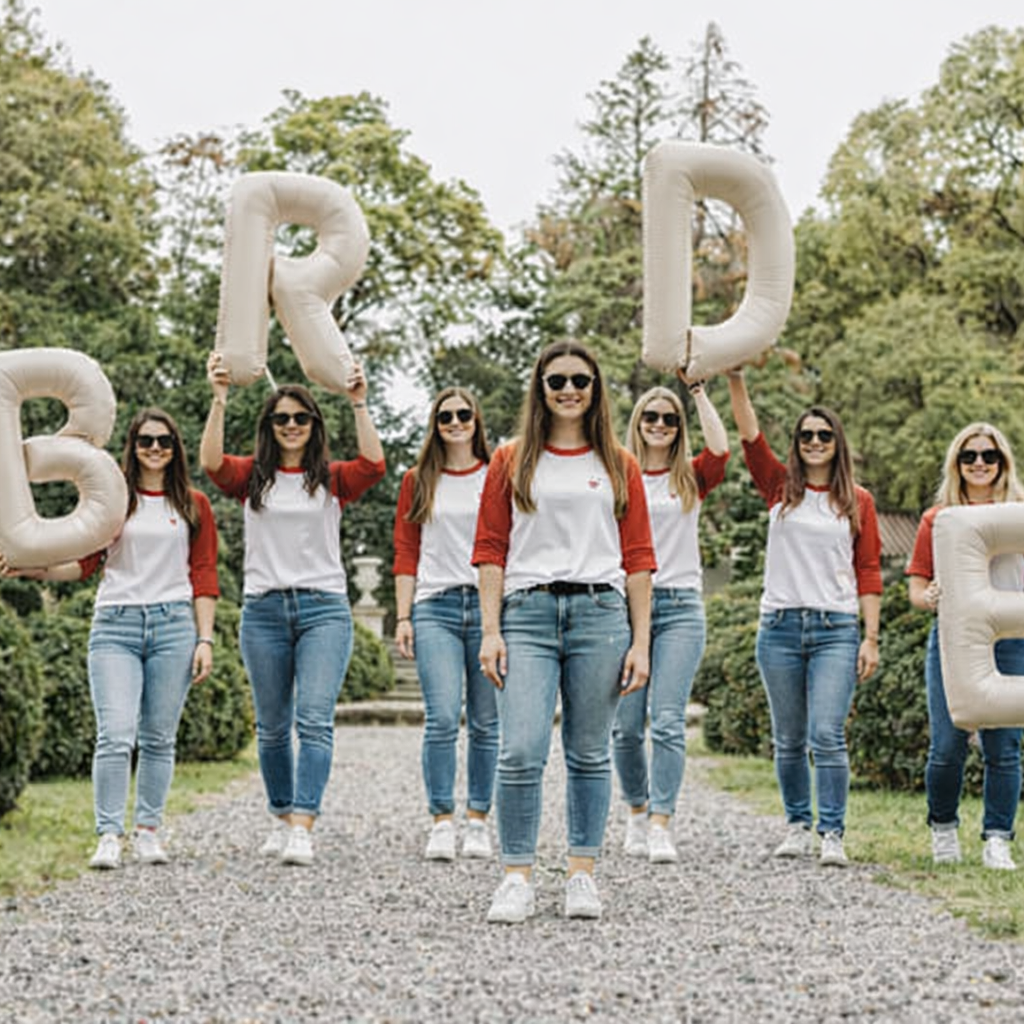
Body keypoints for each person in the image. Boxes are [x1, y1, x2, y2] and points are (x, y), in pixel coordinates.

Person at [473, 339, 655, 924]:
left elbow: (639, 558)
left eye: (581, 379)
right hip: (527, 614)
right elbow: (490, 550)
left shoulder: (620, 464)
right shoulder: (510, 459)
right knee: (521, 748)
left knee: (588, 752)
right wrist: (491, 630)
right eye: (557, 381)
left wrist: (642, 641)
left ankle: (581, 873)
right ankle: (517, 876)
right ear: (541, 389)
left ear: (596, 389)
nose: (570, 389)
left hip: (600, 617)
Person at [1, 408, 219, 869]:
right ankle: (108, 834)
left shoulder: (194, 504)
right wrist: (29, 567)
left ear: (176, 448)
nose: (155, 449)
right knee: (115, 734)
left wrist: (205, 639)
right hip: (115, 626)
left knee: (159, 738)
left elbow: (203, 574)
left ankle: (148, 830)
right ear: (133, 446)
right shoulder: (115, 499)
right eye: (145, 441)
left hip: (173, 627)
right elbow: (82, 564)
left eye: (164, 441)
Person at [201, 352, 384, 866]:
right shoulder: (251, 479)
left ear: (313, 425)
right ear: (269, 426)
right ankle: (281, 816)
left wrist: (358, 402)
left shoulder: (330, 479)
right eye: (281, 418)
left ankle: (304, 823)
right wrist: (219, 398)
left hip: (323, 609)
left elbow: (374, 465)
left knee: (314, 720)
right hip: (263, 612)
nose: (290, 425)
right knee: (273, 726)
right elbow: (211, 462)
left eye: (300, 418)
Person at [728, 368, 881, 867]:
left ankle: (831, 831)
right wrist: (736, 378)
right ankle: (797, 824)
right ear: (797, 444)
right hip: (780, 629)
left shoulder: (858, 501)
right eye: (806, 435)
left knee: (827, 734)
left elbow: (869, 570)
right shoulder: (779, 488)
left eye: (824, 435)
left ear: (838, 442)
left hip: (836, 630)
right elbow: (750, 436)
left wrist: (871, 638)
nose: (815, 442)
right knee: (789, 737)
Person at [613, 378, 729, 864]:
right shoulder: (620, 474)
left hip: (680, 605)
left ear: (679, 428)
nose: (659, 425)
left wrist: (699, 393)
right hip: (623, 606)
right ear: (637, 423)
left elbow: (721, 450)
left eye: (669, 419)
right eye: (650, 417)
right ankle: (637, 811)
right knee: (624, 727)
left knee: (666, 722)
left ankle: (662, 821)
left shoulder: (690, 476)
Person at [906, 422, 1024, 871]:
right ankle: (943, 828)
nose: (979, 463)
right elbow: (916, 589)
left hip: (1012, 640)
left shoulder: (1018, 514)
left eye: (988, 456)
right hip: (954, 644)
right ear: (957, 464)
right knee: (947, 745)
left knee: (1005, 745)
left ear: (1002, 463)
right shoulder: (939, 520)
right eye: (969, 456)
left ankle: (998, 837)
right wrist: (929, 596)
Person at [393, 387, 499, 861]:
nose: (455, 422)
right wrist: (403, 614)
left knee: (485, 721)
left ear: (477, 421)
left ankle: (478, 820)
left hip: (487, 607)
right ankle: (441, 820)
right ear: (435, 425)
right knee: (440, 718)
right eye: (445, 416)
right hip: (435, 606)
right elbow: (406, 551)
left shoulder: (499, 475)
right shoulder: (418, 480)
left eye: (463, 414)